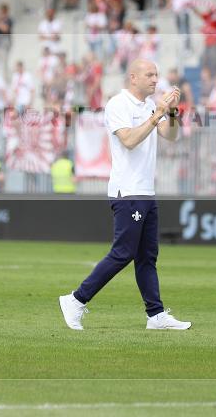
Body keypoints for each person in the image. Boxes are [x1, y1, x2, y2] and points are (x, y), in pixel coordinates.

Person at [59, 59, 190, 331]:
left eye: (157, 74)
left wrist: (172, 112)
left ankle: (155, 315)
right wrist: (157, 115)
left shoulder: (151, 105)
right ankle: (76, 299)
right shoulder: (118, 104)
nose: (156, 79)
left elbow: (171, 135)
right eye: (150, 75)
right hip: (127, 190)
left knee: (146, 256)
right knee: (123, 253)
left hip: (145, 190)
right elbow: (129, 141)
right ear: (133, 78)